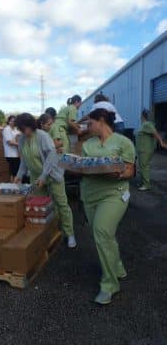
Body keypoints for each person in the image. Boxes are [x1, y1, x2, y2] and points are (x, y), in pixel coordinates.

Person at [80, 108, 135, 305]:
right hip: (89, 195)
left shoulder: (123, 142)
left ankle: (109, 285)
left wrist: (118, 173)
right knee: (104, 237)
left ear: (102, 120)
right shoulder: (88, 144)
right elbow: (84, 169)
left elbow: (130, 170)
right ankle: (117, 266)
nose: (87, 128)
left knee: (101, 232)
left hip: (114, 194)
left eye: (90, 123)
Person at [14, 113, 76, 248]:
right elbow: (24, 160)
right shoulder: (22, 140)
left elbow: (51, 156)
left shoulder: (42, 136)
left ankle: (69, 233)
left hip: (52, 174)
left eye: (24, 128)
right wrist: (19, 175)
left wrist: (43, 176)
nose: (22, 131)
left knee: (61, 204)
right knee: (38, 207)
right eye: (20, 129)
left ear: (31, 126)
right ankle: (43, 235)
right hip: (36, 177)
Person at [136, 110, 167, 191]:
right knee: (143, 166)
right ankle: (144, 182)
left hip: (145, 150)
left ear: (143, 116)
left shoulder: (147, 124)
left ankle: (146, 185)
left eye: (141, 115)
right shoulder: (145, 125)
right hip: (143, 149)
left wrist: (161, 142)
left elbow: (155, 133)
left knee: (144, 166)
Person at [2, 115, 20, 182]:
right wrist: (20, 144)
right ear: (8, 121)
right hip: (10, 154)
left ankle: (14, 185)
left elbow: (19, 137)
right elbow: (10, 142)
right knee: (14, 171)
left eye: (14, 121)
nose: (13, 122)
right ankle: (13, 185)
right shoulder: (7, 129)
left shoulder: (15, 129)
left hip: (17, 154)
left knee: (16, 171)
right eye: (12, 121)